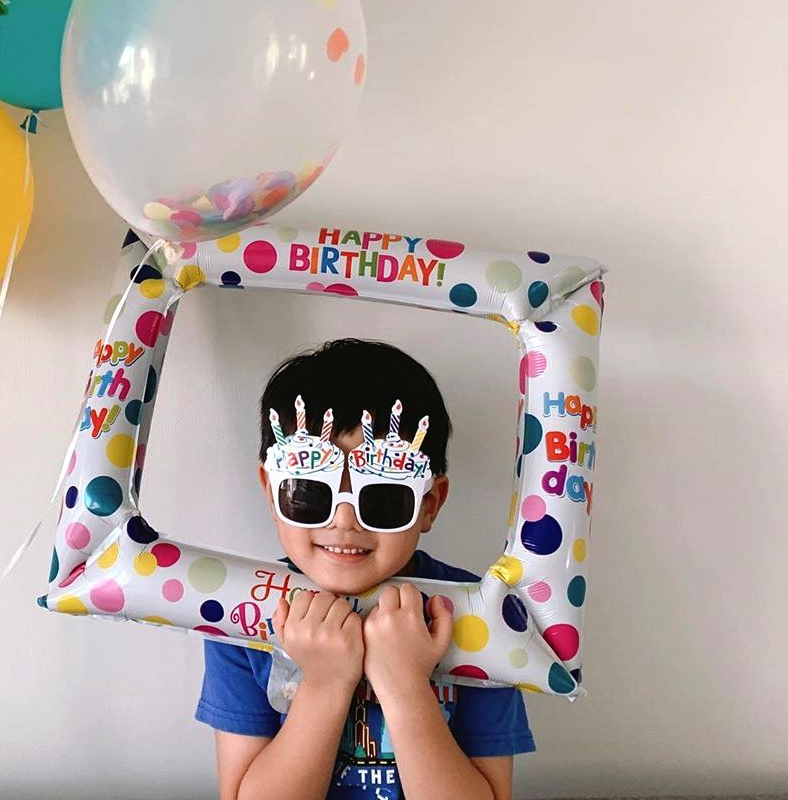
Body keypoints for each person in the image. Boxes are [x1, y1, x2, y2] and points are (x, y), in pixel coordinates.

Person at [195, 338, 535, 799]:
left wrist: (405, 684)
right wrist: (325, 683)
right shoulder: (241, 612)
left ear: (429, 503)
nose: (344, 519)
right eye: (308, 491)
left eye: (383, 496)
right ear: (271, 492)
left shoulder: (480, 616)